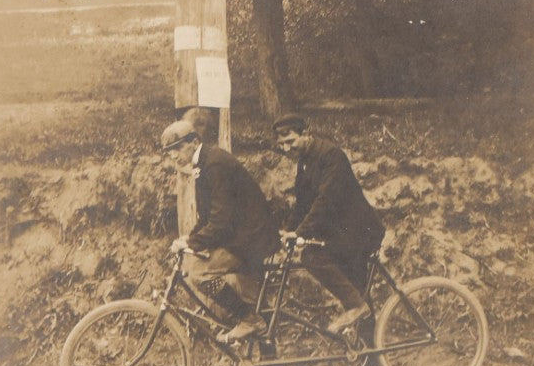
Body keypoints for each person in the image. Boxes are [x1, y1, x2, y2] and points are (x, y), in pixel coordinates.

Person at [161, 113, 279, 342]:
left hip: (251, 238)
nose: (173, 156)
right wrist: (190, 238)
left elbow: (220, 220)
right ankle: (269, 363)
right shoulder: (203, 163)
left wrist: (193, 242)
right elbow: (207, 216)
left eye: (177, 148)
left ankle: (249, 320)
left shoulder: (214, 163)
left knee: (201, 274)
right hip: (241, 235)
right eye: (169, 152)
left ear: (194, 142)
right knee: (250, 293)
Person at [273, 112, 384, 334]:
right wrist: (288, 231)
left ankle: (357, 308)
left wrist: (302, 231)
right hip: (342, 232)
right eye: (281, 144)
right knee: (356, 286)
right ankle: (369, 352)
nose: (286, 149)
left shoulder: (331, 156)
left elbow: (326, 199)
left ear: (307, 134)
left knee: (313, 257)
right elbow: (303, 202)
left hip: (360, 231)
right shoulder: (305, 160)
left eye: (290, 141)